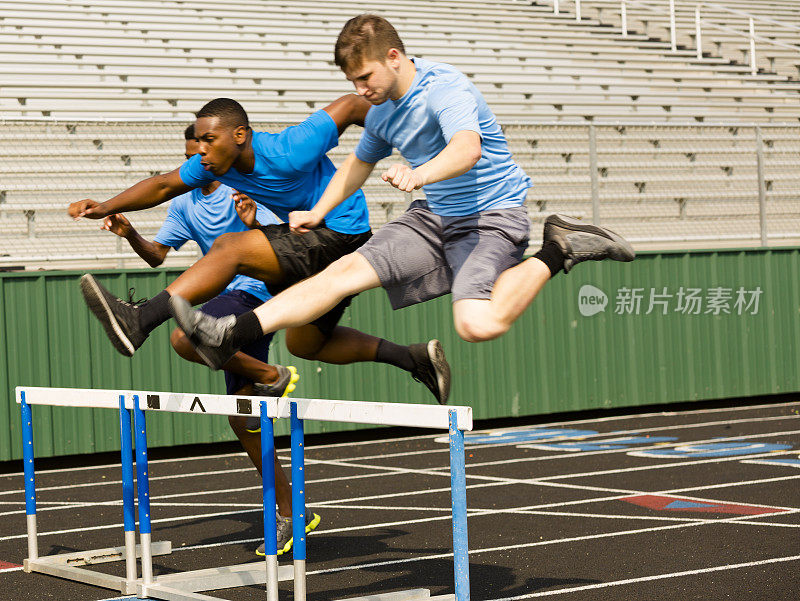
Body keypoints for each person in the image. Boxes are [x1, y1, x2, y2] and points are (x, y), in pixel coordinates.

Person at [166, 14, 635, 371]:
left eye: (365, 77)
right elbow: (357, 163)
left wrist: (421, 174)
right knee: (343, 272)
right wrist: (317, 211)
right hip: (431, 218)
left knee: (477, 325)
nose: (360, 90)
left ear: (394, 57)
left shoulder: (443, 88)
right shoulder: (383, 111)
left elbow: (467, 148)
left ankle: (560, 247)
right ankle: (227, 333)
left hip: (490, 215)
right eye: (352, 82)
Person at [67, 94, 451, 406]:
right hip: (311, 238)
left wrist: (412, 139)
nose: (200, 151)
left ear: (239, 135)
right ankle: (413, 358)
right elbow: (164, 186)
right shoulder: (211, 166)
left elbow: (351, 104)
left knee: (231, 247)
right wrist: (106, 206)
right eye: (197, 142)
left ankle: (141, 321)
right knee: (305, 343)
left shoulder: (290, 148)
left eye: (208, 140)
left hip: (339, 231)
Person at [96, 123, 315, 557]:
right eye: (194, 156)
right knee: (243, 419)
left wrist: (255, 221)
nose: (201, 161)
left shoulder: (245, 183)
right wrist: (130, 234)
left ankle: (273, 373)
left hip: (256, 295)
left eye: (205, 152)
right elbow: (159, 254)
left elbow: (286, 243)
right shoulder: (184, 204)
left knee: (182, 338)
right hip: (221, 307)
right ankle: (295, 511)